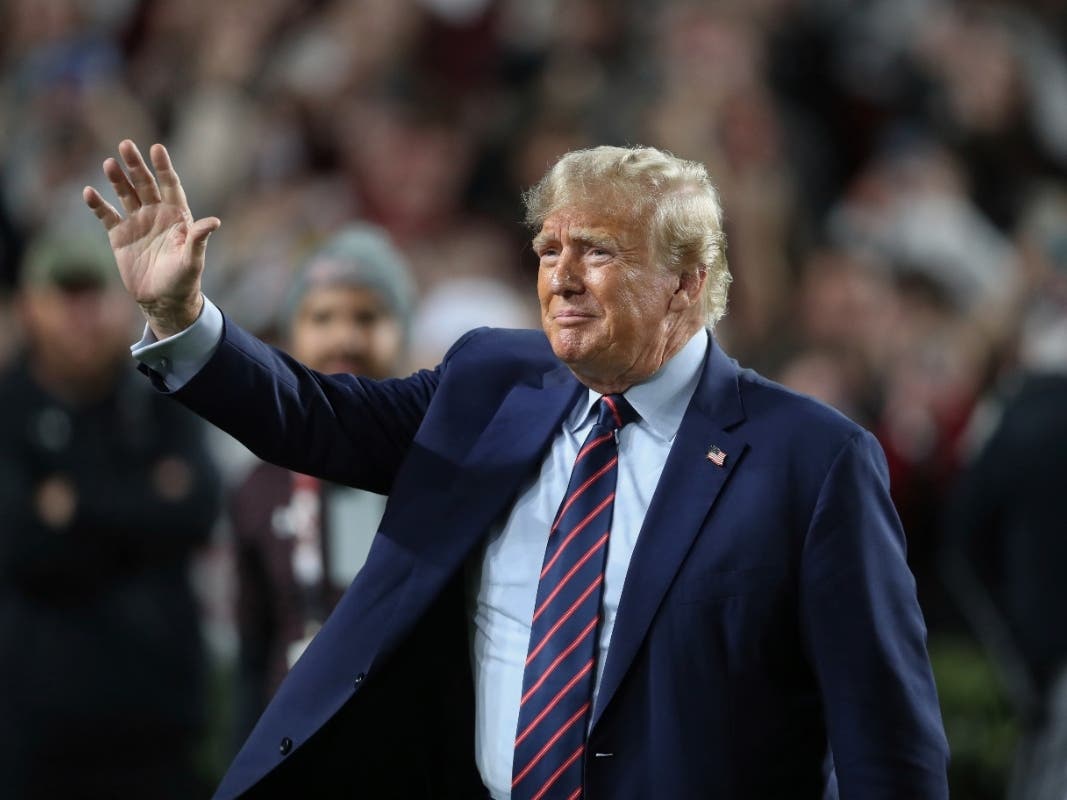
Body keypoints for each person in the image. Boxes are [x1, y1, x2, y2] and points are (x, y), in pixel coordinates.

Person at [84, 139, 949, 799]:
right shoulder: (489, 382)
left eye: (598, 252)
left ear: (687, 283)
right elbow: (316, 418)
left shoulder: (811, 459)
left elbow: (887, 742)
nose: (561, 280)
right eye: (547, 251)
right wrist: (184, 314)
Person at [0, 226, 221, 798]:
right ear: (29, 306)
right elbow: (24, 544)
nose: (84, 312)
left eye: (94, 293)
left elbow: (197, 510)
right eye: (65, 294)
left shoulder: (161, 395)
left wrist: (74, 504)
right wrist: (143, 502)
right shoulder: (7, 408)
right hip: (36, 735)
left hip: (159, 726)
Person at [229, 225, 416, 743]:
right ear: (290, 336)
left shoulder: (446, 475)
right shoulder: (258, 487)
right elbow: (253, 650)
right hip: (295, 751)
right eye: (322, 318)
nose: (345, 340)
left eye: (367, 317)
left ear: (404, 330)